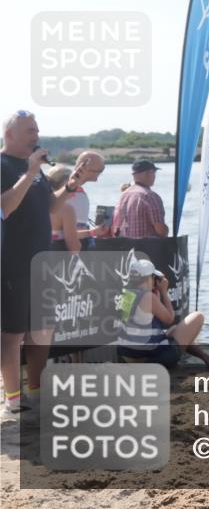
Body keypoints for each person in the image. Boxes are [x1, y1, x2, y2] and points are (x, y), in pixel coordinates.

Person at [0, 111, 82, 417]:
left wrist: (70, 187)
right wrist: (30, 172)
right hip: (12, 262)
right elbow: (4, 208)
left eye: (37, 130)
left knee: (42, 329)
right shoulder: (5, 165)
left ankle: (36, 390)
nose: (37, 135)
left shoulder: (33, 169)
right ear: (10, 134)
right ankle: (12, 397)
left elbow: (49, 207)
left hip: (42, 261)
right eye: (30, 130)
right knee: (12, 333)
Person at [118, 258, 209, 369]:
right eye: (155, 278)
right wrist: (164, 292)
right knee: (198, 317)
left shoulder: (126, 293)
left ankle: (207, 359)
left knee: (174, 330)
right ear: (150, 278)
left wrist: (156, 296)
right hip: (150, 359)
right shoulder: (148, 297)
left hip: (128, 355)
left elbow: (141, 320)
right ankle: (206, 359)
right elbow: (169, 319)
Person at [112, 160, 168, 239]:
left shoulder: (124, 195)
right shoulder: (150, 196)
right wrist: (166, 230)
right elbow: (161, 230)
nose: (155, 176)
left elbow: (117, 226)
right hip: (147, 248)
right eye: (154, 172)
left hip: (129, 247)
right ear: (148, 173)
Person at [65, 151, 108, 248]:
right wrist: (92, 232)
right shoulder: (68, 192)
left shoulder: (77, 190)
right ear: (87, 169)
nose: (100, 174)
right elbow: (60, 232)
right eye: (100, 170)